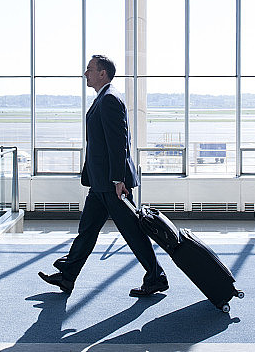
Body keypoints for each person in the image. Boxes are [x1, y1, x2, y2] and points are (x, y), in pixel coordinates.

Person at [38, 55, 168, 297]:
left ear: (102, 73)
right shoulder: (104, 98)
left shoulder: (108, 99)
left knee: (132, 231)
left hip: (111, 184)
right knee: (87, 229)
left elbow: (118, 143)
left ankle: (156, 276)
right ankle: (68, 277)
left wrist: (119, 180)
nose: (85, 73)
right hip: (101, 183)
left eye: (89, 69)